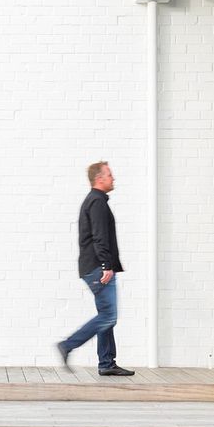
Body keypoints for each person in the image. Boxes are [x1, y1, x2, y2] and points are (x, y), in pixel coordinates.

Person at [55, 161, 134, 376]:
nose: (113, 178)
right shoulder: (97, 202)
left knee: (105, 315)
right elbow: (99, 237)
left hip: (95, 266)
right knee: (109, 316)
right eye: (110, 174)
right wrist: (107, 265)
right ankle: (68, 345)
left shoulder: (95, 201)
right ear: (99, 178)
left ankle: (107, 363)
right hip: (99, 268)